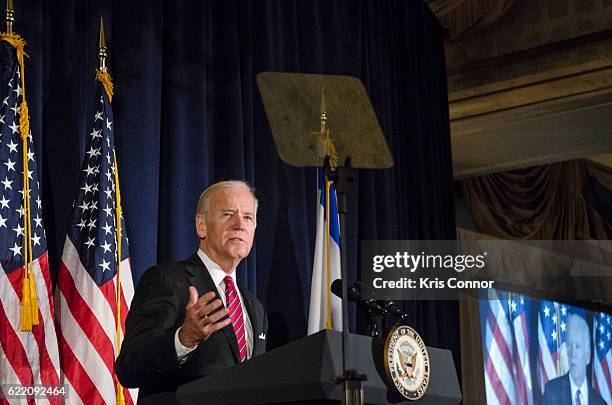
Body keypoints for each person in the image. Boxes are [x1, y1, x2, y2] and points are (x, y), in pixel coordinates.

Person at [116, 180, 267, 404]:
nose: (239, 224)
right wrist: (183, 339)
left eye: (248, 217)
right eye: (227, 214)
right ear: (201, 226)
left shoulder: (255, 307)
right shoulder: (167, 281)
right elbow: (128, 368)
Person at [542, 314, 606, 405]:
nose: (572, 353)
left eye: (577, 346)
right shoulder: (552, 391)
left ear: (587, 356)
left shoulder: (599, 402)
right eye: (569, 345)